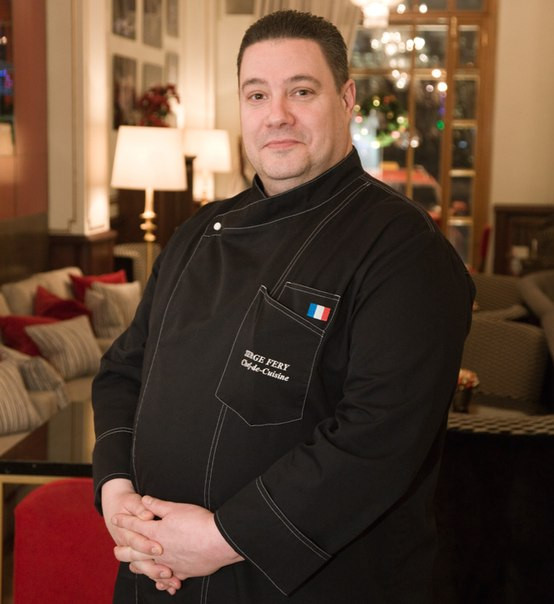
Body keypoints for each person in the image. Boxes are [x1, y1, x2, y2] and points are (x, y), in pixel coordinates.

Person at [93, 10, 475, 603]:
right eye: (257, 94)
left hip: (304, 584)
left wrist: (224, 537)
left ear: (346, 98)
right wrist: (117, 494)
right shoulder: (195, 235)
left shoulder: (404, 249)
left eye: (301, 91)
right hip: (157, 575)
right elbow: (123, 372)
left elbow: (378, 437)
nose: (276, 115)